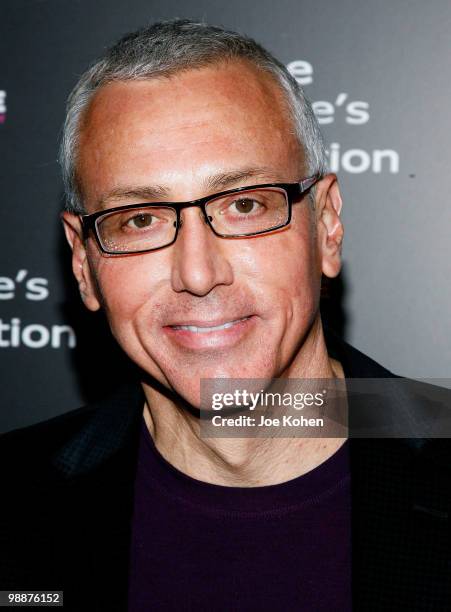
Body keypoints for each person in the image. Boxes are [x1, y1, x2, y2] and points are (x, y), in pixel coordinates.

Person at [1, 19, 449, 612]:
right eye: (140, 219)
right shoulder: (13, 502)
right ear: (83, 263)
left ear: (327, 225)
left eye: (243, 204)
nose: (198, 272)